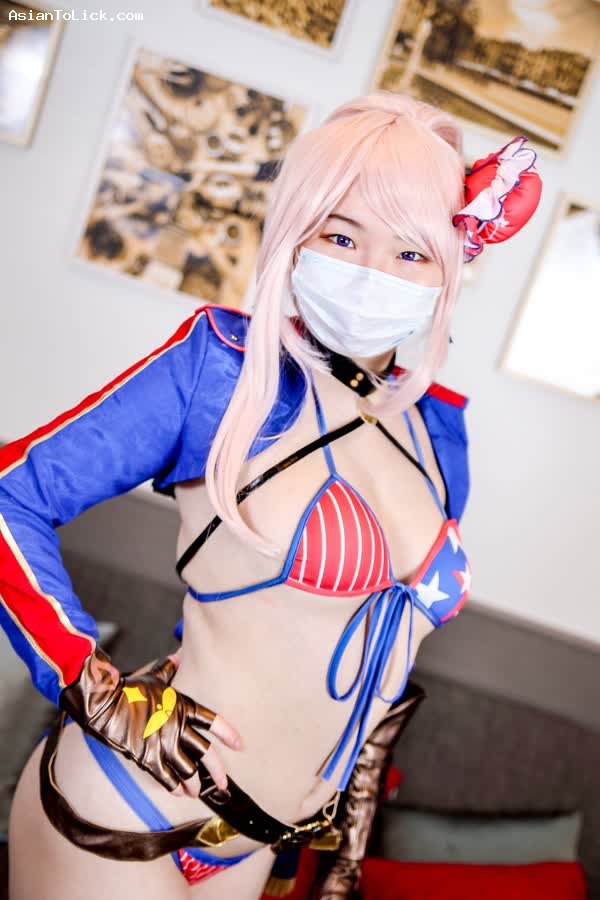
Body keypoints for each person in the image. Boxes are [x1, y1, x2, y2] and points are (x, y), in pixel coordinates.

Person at [2, 91, 542, 900]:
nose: (373, 272)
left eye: (410, 251)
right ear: (297, 233)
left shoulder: (438, 434)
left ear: (448, 266)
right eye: (342, 235)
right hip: (129, 805)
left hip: (261, 843)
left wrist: (349, 844)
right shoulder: (222, 373)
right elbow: (12, 495)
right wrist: (99, 693)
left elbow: (391, 658)